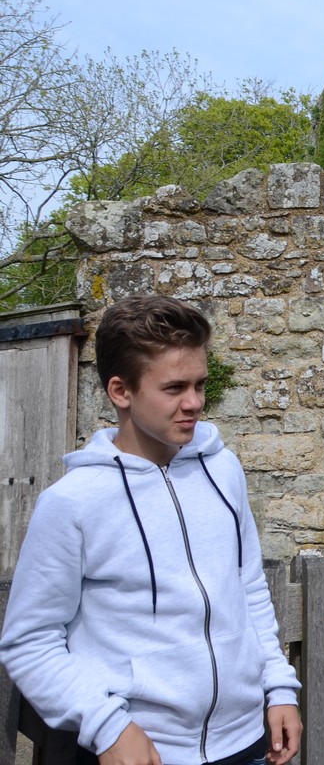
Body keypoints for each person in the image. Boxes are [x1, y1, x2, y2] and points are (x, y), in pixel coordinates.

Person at [0, 296, 303, 765]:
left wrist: (279, 686)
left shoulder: (224, 470)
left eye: (200, 384)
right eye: (174, 387)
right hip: (141, 752)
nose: (194, 403)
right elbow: (30, 642)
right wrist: (108, 726)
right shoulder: (72, 502)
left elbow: (247, 587)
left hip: (247, 743)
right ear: (120, 391)